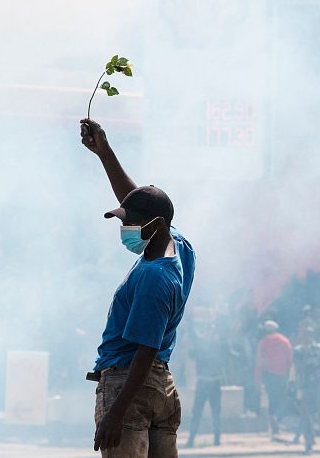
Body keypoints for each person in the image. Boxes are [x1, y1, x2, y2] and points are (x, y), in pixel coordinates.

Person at [81, 118, 197, 457]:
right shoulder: (179, 246)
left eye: (130, 221)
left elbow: (144, 350)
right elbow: (141, 202)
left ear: (156, 225)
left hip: (130, 384)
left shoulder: (154, 278)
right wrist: (104, 153)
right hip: (161, 387)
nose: (125, 226)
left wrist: (115, 412)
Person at [185, 319, 226, 447]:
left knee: (208, 412)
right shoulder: (215, 344)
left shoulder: (209, 344)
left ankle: (212, 439)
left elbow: (191, 354)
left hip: (208, 382)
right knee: (203, 412)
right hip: (206, 381)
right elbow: (192, 354)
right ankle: (197, 439)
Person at [293, 328, 320, 454]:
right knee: (307, 418)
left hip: (317, 384)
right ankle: (308, 446)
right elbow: (298, 367)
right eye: (305, 335)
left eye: (309, 335)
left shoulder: (319, 349)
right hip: (306, 385)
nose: (307, 338)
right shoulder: (298, 350)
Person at [255, 320, 293, 438]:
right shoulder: (285, 341)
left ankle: (273, 424)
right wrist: (291, 376)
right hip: (283, 375)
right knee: (283, 399)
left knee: (272, 400)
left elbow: (259, 361)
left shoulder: (263, 342)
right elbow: (290, 360)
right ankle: (277, 419)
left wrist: (257, 378)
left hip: (269, 375)